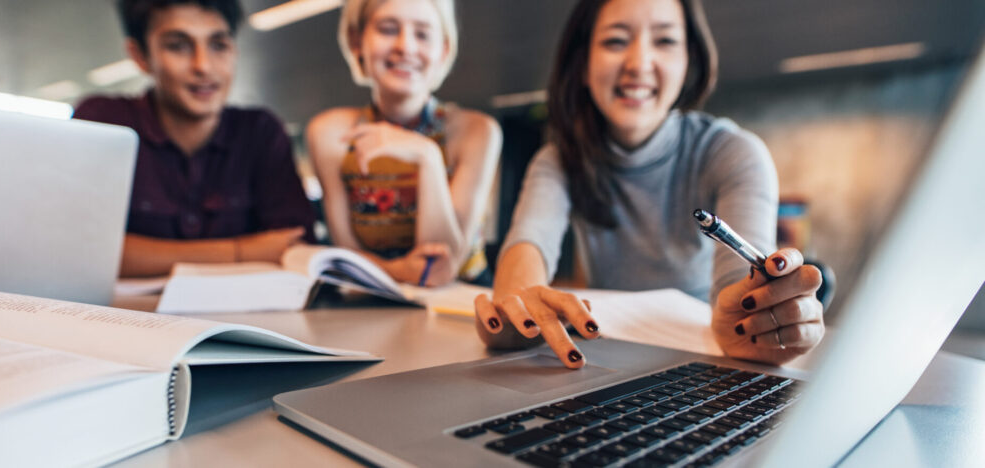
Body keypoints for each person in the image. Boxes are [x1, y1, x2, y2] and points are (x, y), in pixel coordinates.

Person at [474, 0, 824, 369]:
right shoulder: (558, 160)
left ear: (689, 59)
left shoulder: (733, 153)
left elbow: (741, 282)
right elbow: (528, 244)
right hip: (606, 362)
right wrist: (518, 308)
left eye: (665, 41)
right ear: (582, 63)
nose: (639, 63)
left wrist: (754, 324)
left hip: (701, 360)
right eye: (615, 41)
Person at [74, 0, 317, 277]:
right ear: (140, 55)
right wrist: (242, 251)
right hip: (131, 318)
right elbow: (81, 251)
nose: (203, 66)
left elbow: (295, 249)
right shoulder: (104, 121)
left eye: (218, 45)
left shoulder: (260, 132)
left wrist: (144, 254)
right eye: (178, 45)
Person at [307, 0, 501, 287]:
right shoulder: (328, 133)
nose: (405, 47)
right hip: (372, 299)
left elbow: (444, 266)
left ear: (443, 50)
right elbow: (346, 256)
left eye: (422, 34)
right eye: (387, 29)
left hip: (464, 303)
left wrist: (428, 157)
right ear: (357, 41)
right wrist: (399, 271)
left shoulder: (477, 131)